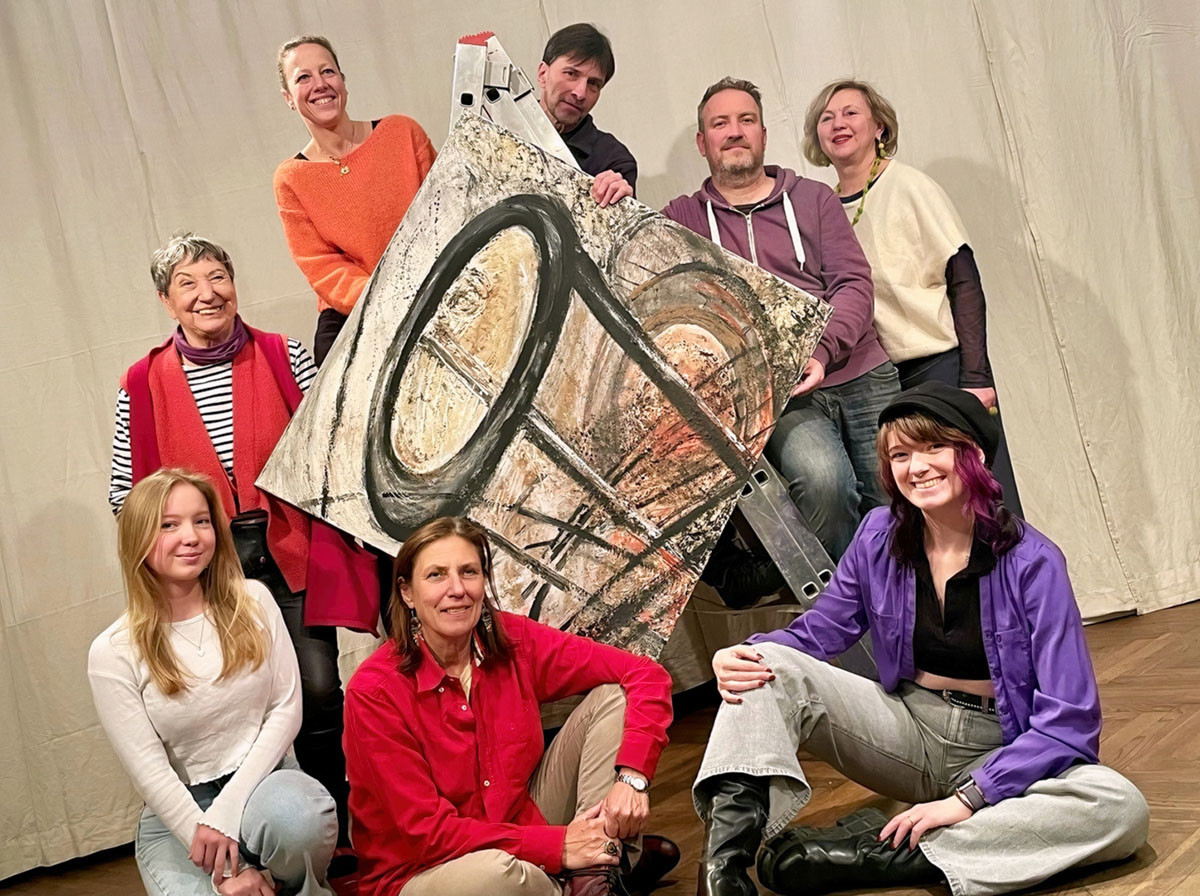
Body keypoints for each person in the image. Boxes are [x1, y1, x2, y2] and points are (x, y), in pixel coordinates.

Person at [692, 382, 1148, 896]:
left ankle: (886, 855)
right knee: (762, 666)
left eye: (935, 447)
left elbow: (1070, 721)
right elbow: (821, 630)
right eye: (901, 455)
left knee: (1119, 807)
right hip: (905, 731)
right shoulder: (877, 535)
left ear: (974, 453)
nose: (917, 467)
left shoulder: (1034, 562)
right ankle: (722, 873)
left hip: (1001, 746)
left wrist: (970, 798)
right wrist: (744, 653)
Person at [108, 232, 377, 871]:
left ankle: (332, 829)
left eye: (217, 277)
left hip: (289, 548)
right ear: (166, 300)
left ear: (233, 283)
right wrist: (173, 546)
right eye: (187, 283)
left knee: (318, 690)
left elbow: (328, 444)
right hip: (207, 564)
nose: (207, 294)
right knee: (231, 699)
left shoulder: (283, 354)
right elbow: (126, 493)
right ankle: (245, 835)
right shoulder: (142, 382)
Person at [342, 516, 680, 896]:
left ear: (484, 581)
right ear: (407, 593)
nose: (457, 589)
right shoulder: (374, 693)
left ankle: (594, 874)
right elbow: (430, 835)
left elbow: (644, 673)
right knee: (493, 877)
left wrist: (632, 778)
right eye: (436, 575)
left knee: (614, 696)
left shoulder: (513, 640)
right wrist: (557, 847)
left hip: (523, 827)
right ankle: (600, 867)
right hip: (427, 869)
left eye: (468, 572)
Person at [663, 77, 899, 562]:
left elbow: (853, 283)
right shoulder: (682, 219)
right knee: (825, 485)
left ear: (764, 134)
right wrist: (612, 189)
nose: (735, 132)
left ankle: (907, 605)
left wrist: (822, 350)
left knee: (898, 498)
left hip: (860, 373)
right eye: (720, 123)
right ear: (702, 143)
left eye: (746, 120)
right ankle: (853, 605)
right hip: (781, 397)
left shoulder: (813, 199)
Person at [89, 469, 338, 896]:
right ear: (137, 537)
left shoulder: (254, 601)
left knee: (301, 821)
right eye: (169, 525)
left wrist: (227, 810)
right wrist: (226, 869)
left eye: (201, 521)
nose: (191, 536)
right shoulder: (112, 652)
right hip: (180, 813)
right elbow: (150, 771)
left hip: (264, 781)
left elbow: (286, 709)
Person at [805, 79, 1024, 515]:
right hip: (880, 382)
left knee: (983, 503)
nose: (838, 124)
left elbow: (963, 278)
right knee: (929, 514)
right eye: (826, 118)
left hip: (938, 366)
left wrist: (976, 377)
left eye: (851, 113)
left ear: (880, 127)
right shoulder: (821, 209)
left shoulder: (909, 186)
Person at [273, 34, 437, 364]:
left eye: (327, 72)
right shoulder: (290, 178)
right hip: (355, 308)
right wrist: (385, 299)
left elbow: (444, 209)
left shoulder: (402, 132)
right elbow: (321, 265)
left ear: (343, 82)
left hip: (430, 281)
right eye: (303, 78)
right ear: (288, 98)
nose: (320, 84)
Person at [538, 23, 636, 207]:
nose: (580, 93)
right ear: (543, 74)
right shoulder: (498, 124)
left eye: (593, 84)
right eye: (571, 74)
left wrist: (622, 209)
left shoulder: (613, 161)